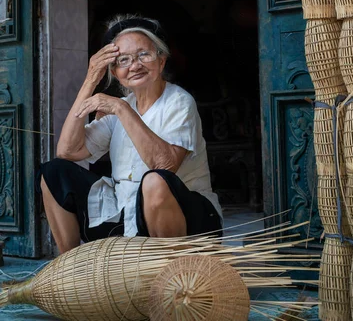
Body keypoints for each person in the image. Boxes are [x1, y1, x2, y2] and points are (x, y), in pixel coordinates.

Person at [38, 15, 222, 253]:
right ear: (114, 72)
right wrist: (91, 79)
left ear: (162, 61)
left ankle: (168, 270)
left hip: (188, 224)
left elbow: (164, 165)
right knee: (53, 172)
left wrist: (121, 108)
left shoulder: (178, 102)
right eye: (123, 60)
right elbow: (68, 151)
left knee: (155, 180)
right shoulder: (121, 105)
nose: (135, 65)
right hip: (127, 218)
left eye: (143, 55)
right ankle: (70, 265)